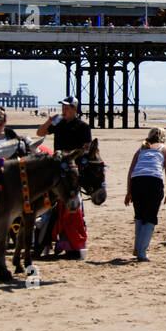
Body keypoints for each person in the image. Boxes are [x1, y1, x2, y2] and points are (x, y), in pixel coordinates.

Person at [35, 96, 93, 258]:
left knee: (73, 207)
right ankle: (44, 240)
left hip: (72, 172)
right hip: (56, 170)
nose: (64, 111)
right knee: (49, 206)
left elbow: (86, 149)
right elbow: (39, 133)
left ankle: (70, 243)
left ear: (75, 109)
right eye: (63, 108)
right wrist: (49, 121)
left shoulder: (82, 127)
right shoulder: (59, 123)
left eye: (67, 108)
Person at [125, 127, 166, 262]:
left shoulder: (141, 149)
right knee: (150, 217)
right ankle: (141, 252)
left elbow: (131, 171)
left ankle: (137, 248)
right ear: (162, 137)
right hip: (153, 182)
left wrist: (129, 191)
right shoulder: (163, 148)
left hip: (137, 181)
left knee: (139, 216)